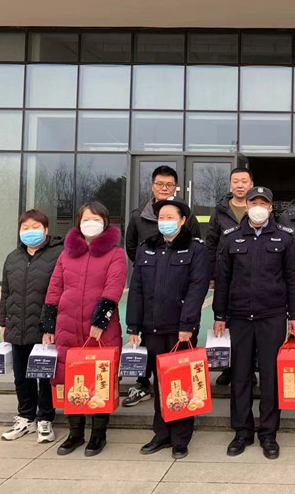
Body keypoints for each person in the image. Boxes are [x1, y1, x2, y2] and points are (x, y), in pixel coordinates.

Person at [213, 186, 295, 460]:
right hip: (239, 317)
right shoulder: (231, 237)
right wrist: (219, 314)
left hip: (272, 317)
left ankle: (268, 433)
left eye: (264, 203)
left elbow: (293, 279)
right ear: (247, 206)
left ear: (271, 208)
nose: (259, 208)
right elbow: (223, 279)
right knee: (240, 376)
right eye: (254, 203)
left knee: (270, 377)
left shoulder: (284, 238)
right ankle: (242, 432)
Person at [126, 197, 212, 460]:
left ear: (182, 221)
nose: (165, 222)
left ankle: (181, 437)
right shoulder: (147, 248)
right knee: (160, 382)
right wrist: (133, 325)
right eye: (161, 217)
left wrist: (187, 325)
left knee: (181, 382)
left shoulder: (195, 249)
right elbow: (136, 289)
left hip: (180, 330)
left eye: (170, 217)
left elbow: (197, 288)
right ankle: (161, 433)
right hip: (152, 328)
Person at [41, 201, 127, 457]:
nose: (91, 224)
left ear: (105, 223)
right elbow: (54, 288)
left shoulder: (115, 254)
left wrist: (100, 322)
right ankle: (75, 433)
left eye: (96, 219)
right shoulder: (66, 254)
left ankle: (98, 434)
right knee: (71, 379)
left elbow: (114, 288)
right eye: (86, 219)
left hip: (100, 330)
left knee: (100, 377)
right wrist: (48, 325)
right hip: (67, 327)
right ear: (78, 222)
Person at [124, 165, 202, 407]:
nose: (164, 188)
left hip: (177, 306)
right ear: (152, 186)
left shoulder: (187, 217)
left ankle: (180, 420)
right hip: (150, 292)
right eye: (160, 184)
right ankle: (143, 385)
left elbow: (195, 260)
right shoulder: (139, 216)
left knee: (178, 371)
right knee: (149, 353)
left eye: (169, 185)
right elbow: (131, 248)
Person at [0, 209, 64, 443]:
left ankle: (45, 418)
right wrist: (3, 322)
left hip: (45, 328)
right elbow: (6, 293)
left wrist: (51, 326)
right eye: (25, 228)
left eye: (35, 227)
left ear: (46, 230)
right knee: (21, 376)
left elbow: (61, 292)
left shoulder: (58, 255)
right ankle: (25, 417)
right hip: (17, 326)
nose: (30, 232)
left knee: (44, 376)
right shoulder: (12, 258)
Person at [205, 167, 254, 387]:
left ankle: (249, 369)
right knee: (225, 322)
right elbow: (211, 244)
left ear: (251, 185)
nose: (240, 185)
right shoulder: (220, 211)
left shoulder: (258, 208)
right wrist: (211, 273)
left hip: (252, 275)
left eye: (244, 181)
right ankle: (228, 367)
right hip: (226, 275)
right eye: (236, 181)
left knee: (250, 325)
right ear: (230, 185)